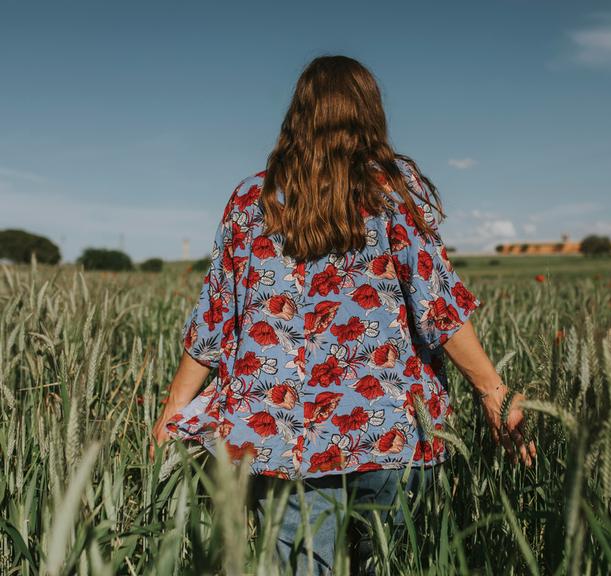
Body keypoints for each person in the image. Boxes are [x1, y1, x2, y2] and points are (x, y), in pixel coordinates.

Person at [150, 54, 536, 575]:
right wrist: (493, 391)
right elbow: (439, 307)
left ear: (297, 116)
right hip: (394, 435)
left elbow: (216, 319)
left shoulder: (251, 201)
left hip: (282, 442)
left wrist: (175, 407)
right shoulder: (395, 193)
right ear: (370, 114)